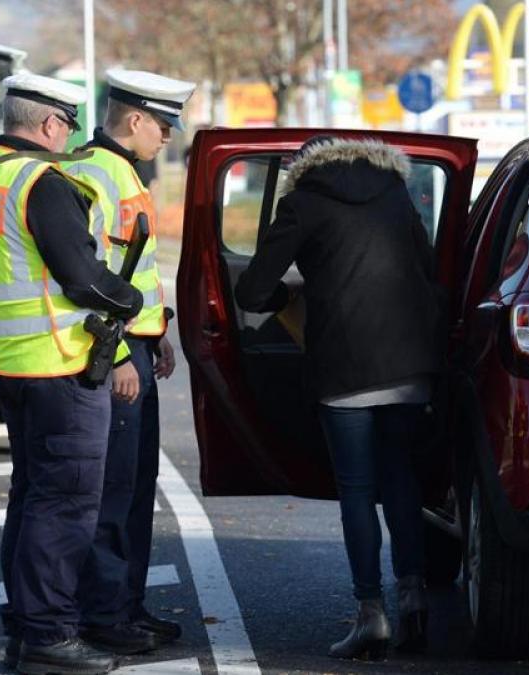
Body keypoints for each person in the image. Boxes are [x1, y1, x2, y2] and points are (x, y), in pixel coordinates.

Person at [0, 72, 143, 675]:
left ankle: (27, 627)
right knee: (64, 503)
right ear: (48, 124)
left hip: (12, 365)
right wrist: (131, 301)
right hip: (58, 366)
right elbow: (83, 277)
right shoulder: (42, 182)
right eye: (67, 123)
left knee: (33, 498)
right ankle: (48, 636)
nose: (70, 134)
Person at [234, 135, 441, 660]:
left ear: (304, 166)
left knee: (356, 489)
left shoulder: (302, 201)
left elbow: (252, 291)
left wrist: (292, 297)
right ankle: (415, 601)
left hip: (343, 368)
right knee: (401, 477)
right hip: (409, 361)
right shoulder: (395, 190)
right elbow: (428, 265)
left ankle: (371, 615)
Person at [61, 68, 195, 656]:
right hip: (110, 351)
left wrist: (156, 332)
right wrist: (118, 353)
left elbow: (132, 269)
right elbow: (85, 281)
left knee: (137, 487)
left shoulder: (123, 172)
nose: (168, 136)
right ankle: (105, 614)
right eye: (163, 125)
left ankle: (127, 606)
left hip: (135, 346)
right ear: (135, 119)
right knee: (113, 492)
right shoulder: (95, 174)